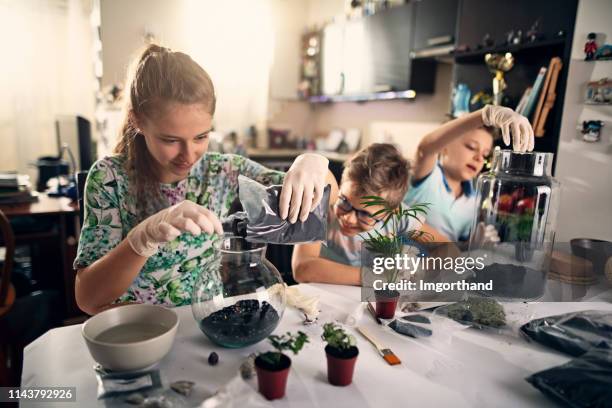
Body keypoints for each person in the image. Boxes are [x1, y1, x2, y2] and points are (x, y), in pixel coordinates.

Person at [74, 45, 334, 315]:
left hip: (203, 322)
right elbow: (88, 299)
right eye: (170, 140)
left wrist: (315, 165)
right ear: (137, 121)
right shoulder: (109, 178)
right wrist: (141, 240)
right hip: (136, 329)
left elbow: (327, 200)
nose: (188, 156)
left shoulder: (223, 171)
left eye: (200, 137)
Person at [291, 143, 436, 286]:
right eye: (344, 201)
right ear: (341, 187)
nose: (348, 218)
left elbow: (447, 250)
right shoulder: (322, 205)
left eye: (365, 214)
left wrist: (418, 270)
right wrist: (375, 277)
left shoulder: (399, 216)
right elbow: (302, 268)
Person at [403, 105, 534, 242]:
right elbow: (425, 148)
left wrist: (473, 244)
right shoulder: (427, 177)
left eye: (485, 154)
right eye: (472, 147)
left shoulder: (473, 201)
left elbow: (458, 246)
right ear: (445, 147)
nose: (479, 158)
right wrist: (485, 115)